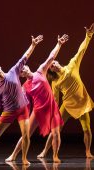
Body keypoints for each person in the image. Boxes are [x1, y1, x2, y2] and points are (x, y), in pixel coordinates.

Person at [0, 35, 43, 165]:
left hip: (23, 109)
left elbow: (25, 56)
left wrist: (33, 45)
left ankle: (24, 158)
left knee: (26, 135)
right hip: (9, 112)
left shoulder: (13, 72)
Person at [5, 34, 69, 163]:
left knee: (56, 133)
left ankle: (55, 155)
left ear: (28, 67)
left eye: (24, 67)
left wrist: (59, 44)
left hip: (51, 108)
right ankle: (13, 155)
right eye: (21, 70)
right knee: (26, 134)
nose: (23, 69)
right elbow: (20, 101)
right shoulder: (24, 86)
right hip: (38, 110)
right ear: (22, 75)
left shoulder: (40, 71)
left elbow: (51, 57)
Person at [37, 23, 94, 158]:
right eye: (51, 66)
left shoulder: (72, 66)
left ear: (58, 62)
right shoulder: (55, 82)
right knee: (55, 129)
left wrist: (88, 35)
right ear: (51, 70)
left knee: (87, 129)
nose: (53, 65)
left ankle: (87, 151)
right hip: (67, 106)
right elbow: (55, 99)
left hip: (82, 103)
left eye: (54, 63)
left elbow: (81, 50)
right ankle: (45, 151)